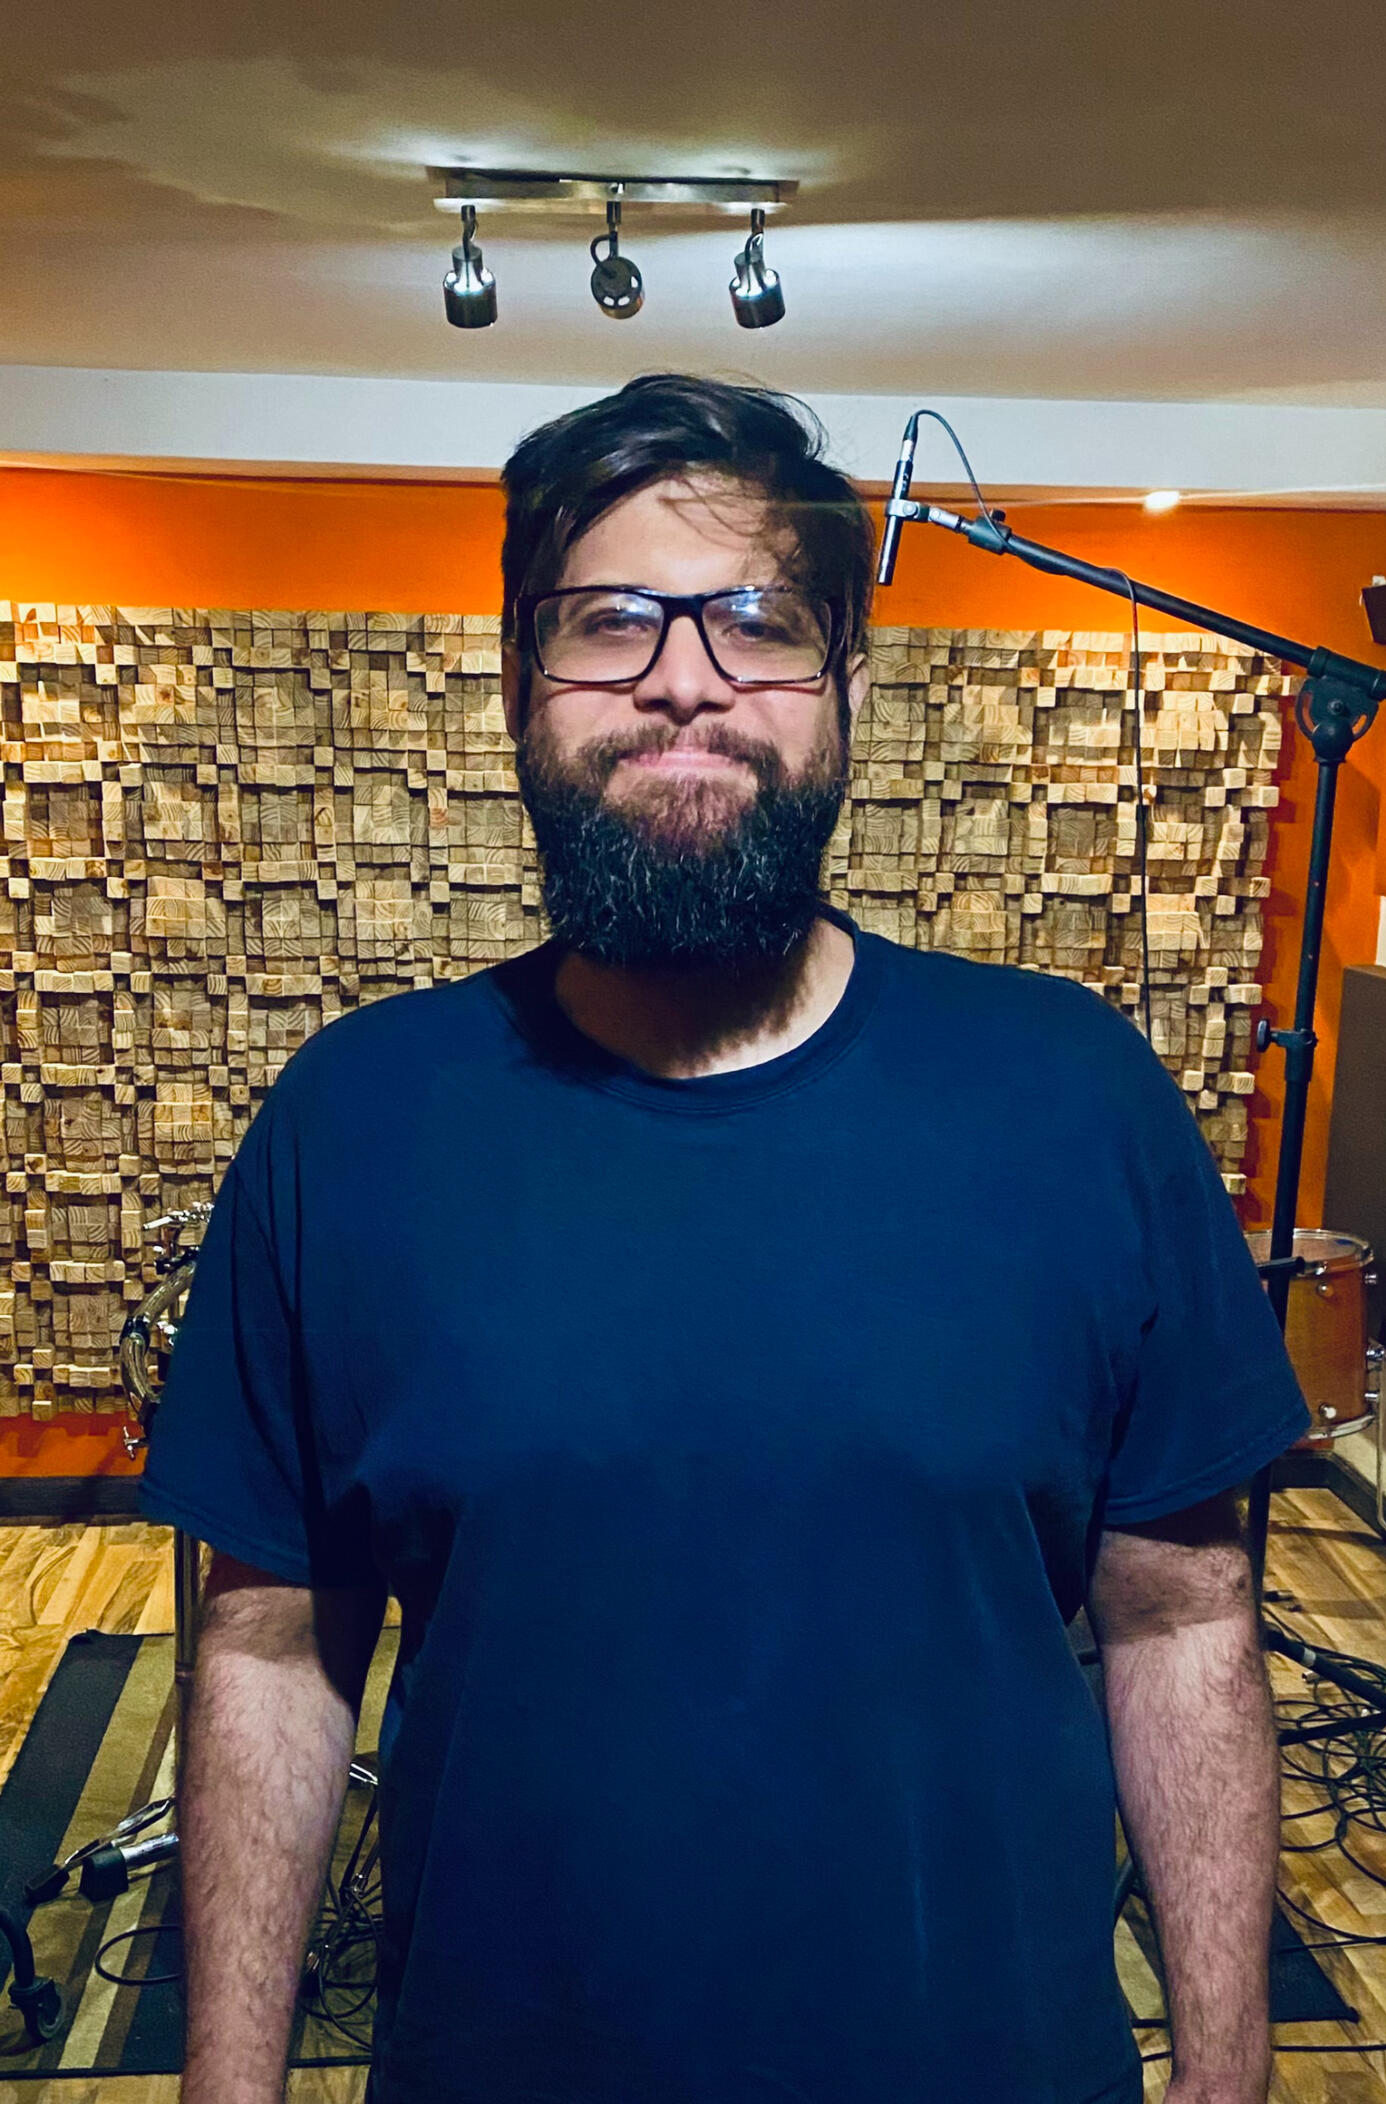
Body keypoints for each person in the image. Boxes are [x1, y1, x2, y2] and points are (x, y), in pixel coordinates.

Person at [138, 373, 1309, 2104]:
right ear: (519, 682)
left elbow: (1182, 1619)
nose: (684, 679)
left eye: (756, 621)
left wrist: (1230, 2066)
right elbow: (267, 1647)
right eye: (610, 620)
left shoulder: (1075, 1096)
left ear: (846, 685)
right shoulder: (354, 1121)